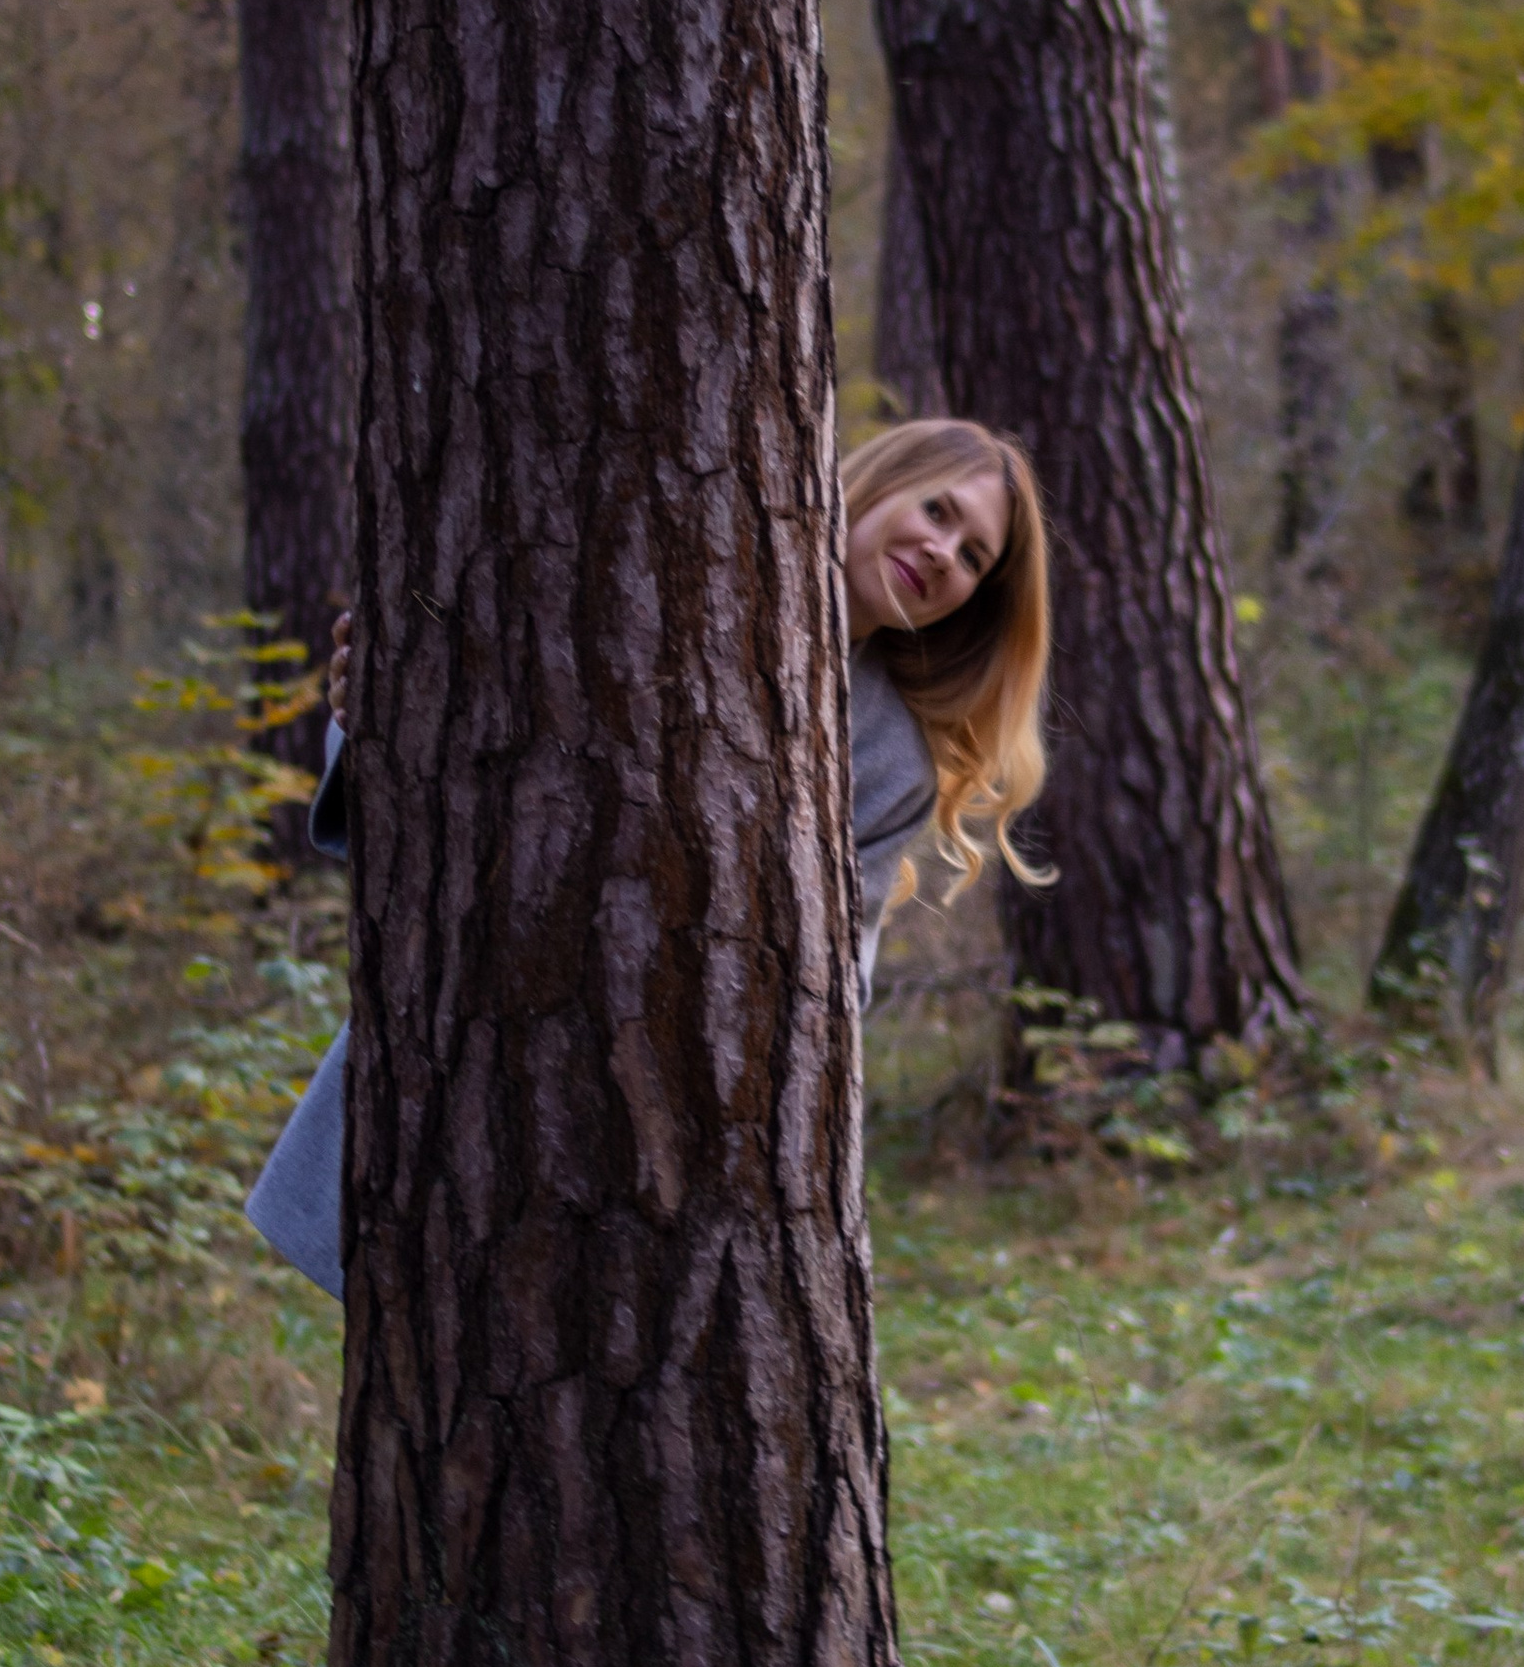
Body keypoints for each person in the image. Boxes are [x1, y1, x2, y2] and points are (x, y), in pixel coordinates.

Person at [243, 418, 1052, 1298]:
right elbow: (467, 774)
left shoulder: (897, 754)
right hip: (480, 1014)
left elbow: (834, 970)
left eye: (973, 557)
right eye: (937, 511)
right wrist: (373, 717)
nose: (942, 553)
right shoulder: (698, 565)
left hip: (661, 1105)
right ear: (882, 481)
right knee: (434, 1333)